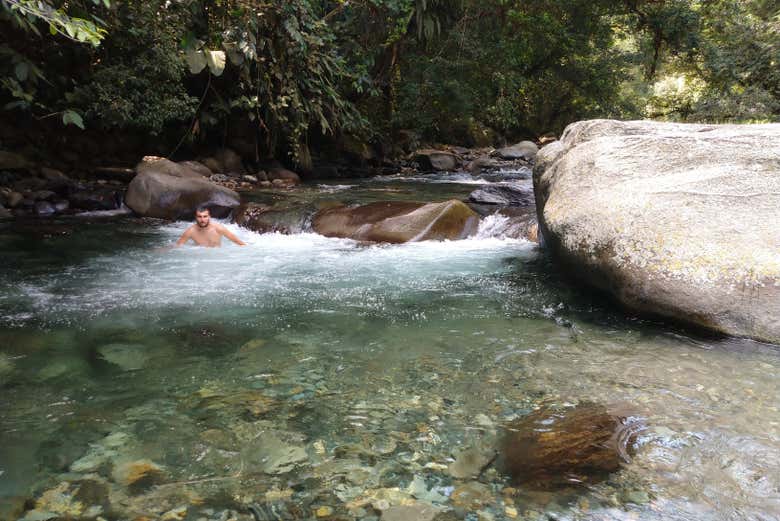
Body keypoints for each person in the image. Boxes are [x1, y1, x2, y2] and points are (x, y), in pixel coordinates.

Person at [175, 206, 246, 247]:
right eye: (199, 217)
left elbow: (239, 242)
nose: (202, 219)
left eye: (205, 216)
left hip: (217, 259)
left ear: (209, 217)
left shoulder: (218, 228)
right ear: (196, 217)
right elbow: (177, 246)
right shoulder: (191, 231)